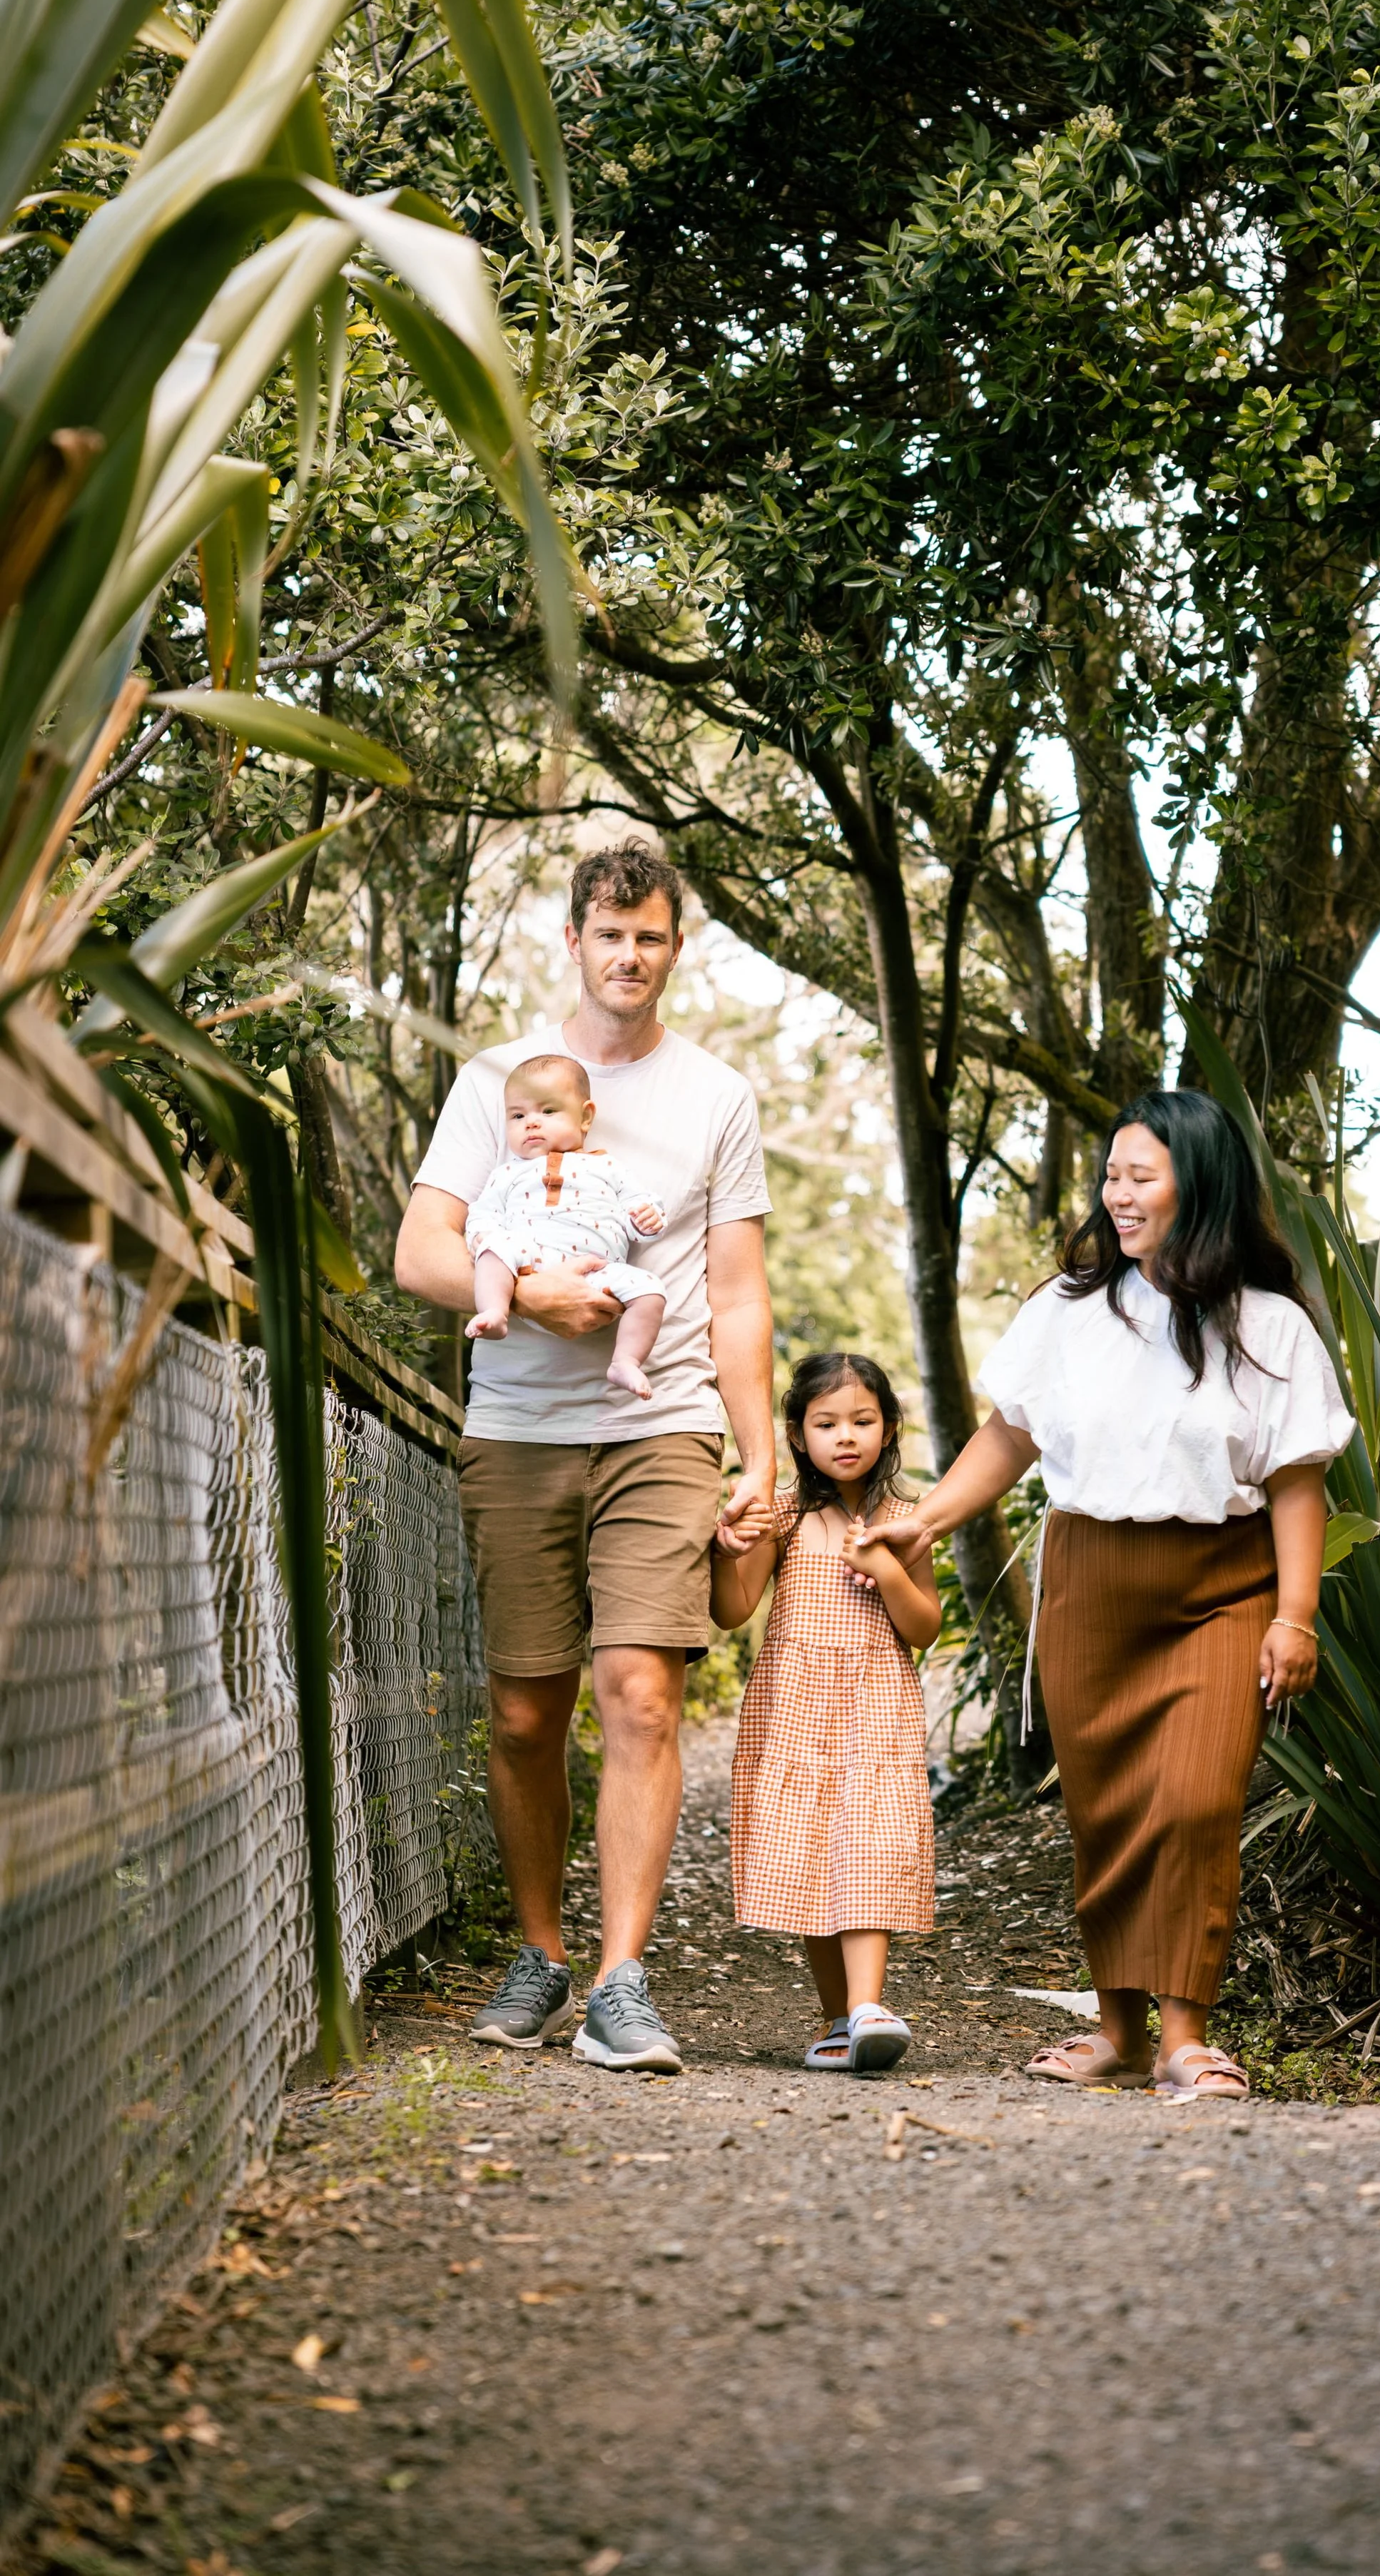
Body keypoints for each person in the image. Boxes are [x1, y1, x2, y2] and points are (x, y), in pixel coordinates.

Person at [868, 1089, 1351, 2100]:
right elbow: (1011, 1433)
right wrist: (932, 1517)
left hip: (1221, 1586)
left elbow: (1299, 1484)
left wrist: (1293, 1616)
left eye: (1142, 1176)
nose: (1117, 1195)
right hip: (1089, 1584)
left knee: (1195, 1801)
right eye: (1112, 1176)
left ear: (1202, 1186)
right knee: (1108, 1812)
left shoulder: (1270, 1329)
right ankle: (1117, 2034)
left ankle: (1185, 2040)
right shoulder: (1069, 1311)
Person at [394, 840, 775, 2074]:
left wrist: (761, 1452)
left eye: (652, 935)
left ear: (677, 944)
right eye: (610, 934)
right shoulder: (495, 1081)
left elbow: (738, 1291)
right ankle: (543, 1950)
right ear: (574, 939)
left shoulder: (715, 1095)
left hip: (661, 1421)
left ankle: (621, 1976)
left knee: (643, 1692)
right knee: (522, 1710)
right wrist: (539, 1293)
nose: (630, 955)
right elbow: (422, 1250)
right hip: (516, 1430)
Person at [713, 1353, 940, 2074]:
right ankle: (837, 2017)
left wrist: (888, 1571)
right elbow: (731, 1609)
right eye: (827, 1423)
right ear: (796, 1433)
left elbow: (925, 1626)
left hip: (875, 1700)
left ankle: (869, 2005)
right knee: (812, 1854)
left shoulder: (908, 1521)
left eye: (862, 1421)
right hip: (796, 1705)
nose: (846, 1436)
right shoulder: (782, 1515)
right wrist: (726, 1548)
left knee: (868, 1844)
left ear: (890, 1427)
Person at [463, 1053, 667, 1402]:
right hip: (528, 1259)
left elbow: (640, 1203)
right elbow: (481, 1214)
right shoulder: (507, 1173)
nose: (531, 1122)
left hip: (598, 1271)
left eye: (547, 1111)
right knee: (494, 1249)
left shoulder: (608, 1167)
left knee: (651, 1291)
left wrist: (646, 1217)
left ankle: (626, 1360)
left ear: (585, 1117)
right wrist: (482, 1235)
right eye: (518, 1115)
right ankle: (495, 1311)